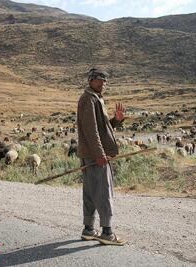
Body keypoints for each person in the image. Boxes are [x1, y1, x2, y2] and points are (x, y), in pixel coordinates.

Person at [77, 68, 126, 246]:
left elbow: (102, 128)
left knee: (90, 192)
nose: (102, 83)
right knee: (104, 191)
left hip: (91, 154)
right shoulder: (88, 99)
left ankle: (89, 229)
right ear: (90, 80)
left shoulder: (95, 98)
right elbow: (91, 131)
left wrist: (116, 120)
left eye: (105, 81)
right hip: (95, 155)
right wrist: (99, 154)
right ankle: (107, 232)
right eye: (98, 79)